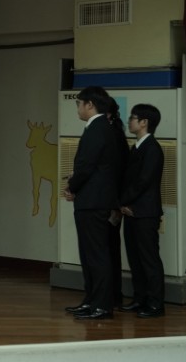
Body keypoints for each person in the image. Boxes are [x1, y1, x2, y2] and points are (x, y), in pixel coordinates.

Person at [63, 86, 120, 320]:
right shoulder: (98, 127)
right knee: (88, 255)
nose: (77, 108)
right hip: (91, 200)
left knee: (96, 254)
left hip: (94, 201)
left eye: (79, 103)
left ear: (90, 105)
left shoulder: (98, 128)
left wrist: (72, 186)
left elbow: (87, 166)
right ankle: (91, 301)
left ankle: (102, 305)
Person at [119, 104, 166, 318]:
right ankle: (140, 299)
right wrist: (123, 205)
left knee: (149, 259)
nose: (129, 121)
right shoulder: (136, 147)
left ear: (144, 122)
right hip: (131, 211)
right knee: (135, 259)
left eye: (133, 117)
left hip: (145, 213)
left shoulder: (152, 148)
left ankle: (155, 304)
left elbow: (144, 182)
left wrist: (123, 202)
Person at [107, 97, 130, 309]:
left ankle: (111, 296)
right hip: (114, 202)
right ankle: (113, 295)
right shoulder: (117, 135)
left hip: (109, 202)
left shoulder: (110, 136)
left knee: (107, 250)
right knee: (111, 249)